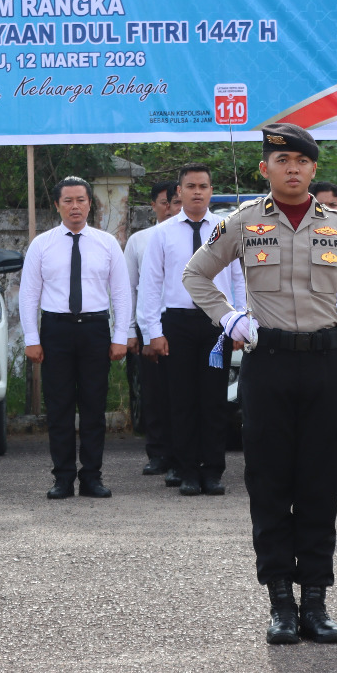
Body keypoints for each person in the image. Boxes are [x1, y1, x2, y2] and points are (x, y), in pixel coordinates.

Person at [184, 123, 337, 645]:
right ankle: (280, 603)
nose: (292, 169)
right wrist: (228, 318)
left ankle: (316, 600)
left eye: (302, 162)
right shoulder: (242, 223)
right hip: (267, 367)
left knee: (318, 483)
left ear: (314, 169)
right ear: (266, 168)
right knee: (268, 482)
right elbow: (196, 275)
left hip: (324, 367)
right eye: (281, 161)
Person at [20, 176, 131, 499]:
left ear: (89, 204)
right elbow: (29, 294)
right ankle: (63, 478)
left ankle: (92, 477)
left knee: (94, 407)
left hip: (95, 329)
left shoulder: (107, 243)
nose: (75, 207)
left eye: (81, 200)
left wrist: (120, 335)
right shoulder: (42, 244)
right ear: (57, 205)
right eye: (67, 201)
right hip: (56, 330)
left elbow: (121, 293)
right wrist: (31, 337)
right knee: (59, 408)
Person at [137, 164, 243, 496]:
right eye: (190, 186)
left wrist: (240, 322)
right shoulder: (162, 234)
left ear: (211, 191)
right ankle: (186, 472)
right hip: (177, 325)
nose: (197, 192)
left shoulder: (227, 230)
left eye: (203, 186)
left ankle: (212, 471)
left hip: (217, 324)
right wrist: (153, 331)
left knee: (214, 400)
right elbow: (151, 284)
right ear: (178, 192)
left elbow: (239, 280)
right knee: (181, 400)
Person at [124, 181, 177, 479]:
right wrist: (130, 330)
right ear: (155, 206)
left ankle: (187, 453)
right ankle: (158, 453)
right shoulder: (140, 241)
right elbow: (129, 289)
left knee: (186, 393)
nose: (170, 209)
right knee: (155, 394)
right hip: (150, 324)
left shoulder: (203, 236)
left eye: (176, 202)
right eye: (164, 203)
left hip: (186, 323)